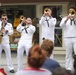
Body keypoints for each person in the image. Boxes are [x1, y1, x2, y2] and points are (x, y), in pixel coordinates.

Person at [60, 7, 76, 71]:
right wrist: (66, 19)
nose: (71, 12)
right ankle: (68, 68)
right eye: (70, 11)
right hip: (67, 37)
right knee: (68, 53)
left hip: (75, 37)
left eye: (73, 11)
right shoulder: (65, 18)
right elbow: (61, 25)